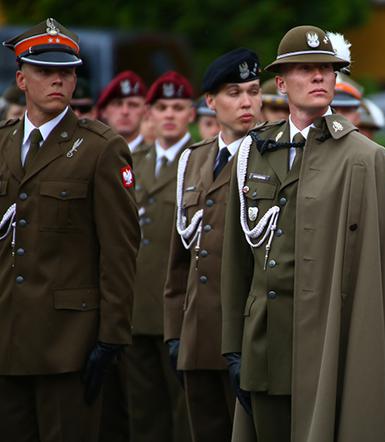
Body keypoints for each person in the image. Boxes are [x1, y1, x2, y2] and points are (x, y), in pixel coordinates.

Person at [221, 24, 385, 442]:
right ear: (280, 83)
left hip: (335, 347)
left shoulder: (367, 158)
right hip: (265, 345)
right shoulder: (253, 152)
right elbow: (236, 256)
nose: (319, 76)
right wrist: (233, 347)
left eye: (327, 69)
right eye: (306, 69)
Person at [0, 18, 140, 441]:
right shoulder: (3, 144)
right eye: (45, 72)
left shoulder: (100, 148)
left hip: (70, 344)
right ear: (22, 79)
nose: (58, 80)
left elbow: (120, 249)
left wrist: (111, 338)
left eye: (66, 72)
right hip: (7, 338)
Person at [163, 48, 262, 442]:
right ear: (210, 102)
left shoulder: (272, 157)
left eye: (254, 91)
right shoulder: (194, 160)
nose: (247, 102)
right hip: (197, 337)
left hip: (246, 339)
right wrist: (174, 331)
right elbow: (180, 256)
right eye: (234, 92)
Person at [126, 71, 194, 442]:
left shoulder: (200, 162)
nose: (169, 114)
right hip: (136, 310)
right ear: (148, 113)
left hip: (180, 313)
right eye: (162, 107)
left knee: (184, 413)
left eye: (178, 107)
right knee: (143, 413)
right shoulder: (130, 163)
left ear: (191, 114)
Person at [97, 70, 149, 153]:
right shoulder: (91, 154)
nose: (125, 111)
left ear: (146, 112)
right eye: (117, 104)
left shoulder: (159, 157)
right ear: (103, 111)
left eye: (133, 105)